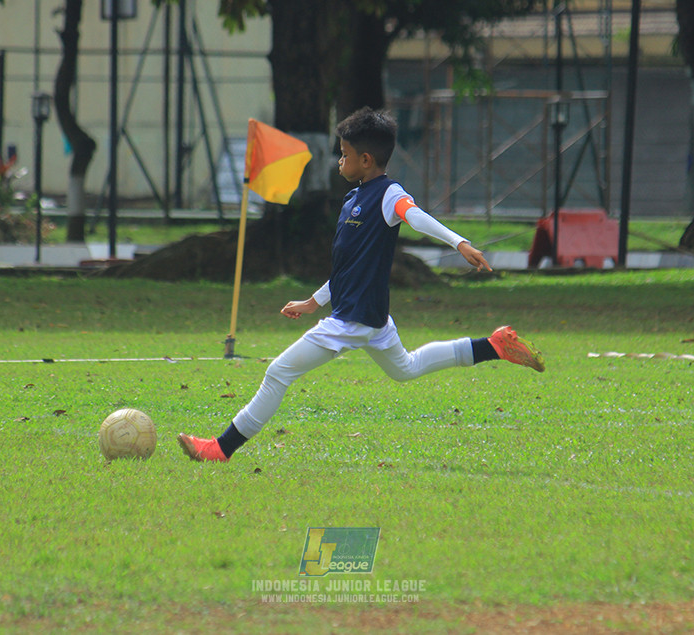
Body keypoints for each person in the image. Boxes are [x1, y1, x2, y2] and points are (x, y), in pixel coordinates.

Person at [178, 107, 544, 463]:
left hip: (353, 321)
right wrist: (313, 302)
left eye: (344, 154)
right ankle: (494, 345)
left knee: (278, 372)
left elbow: (415, 216)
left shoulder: (389, 194)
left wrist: (458, 242)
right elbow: (347, 269)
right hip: (371, 318)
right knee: (407, 368)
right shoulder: (352, 199)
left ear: (366, 160)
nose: (339, 160)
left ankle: (220, 448)